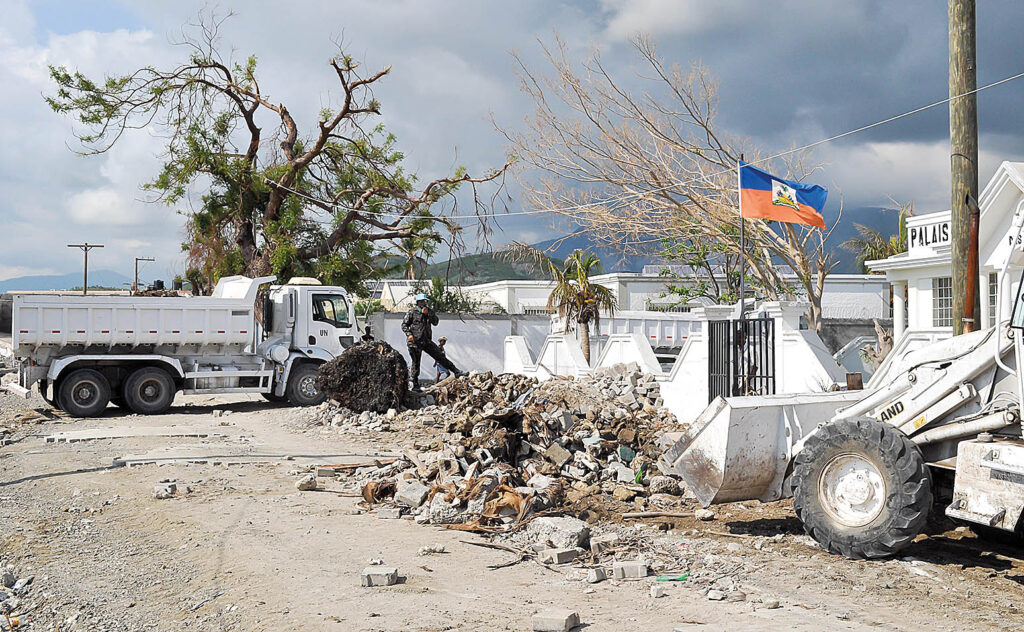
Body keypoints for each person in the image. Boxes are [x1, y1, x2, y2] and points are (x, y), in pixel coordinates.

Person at [402, 294, 463, 390]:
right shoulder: (412, 312)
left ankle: (456, 371)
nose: (423, 303)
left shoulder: (429, 311)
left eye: (424, 301)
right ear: (417, 302)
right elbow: (404, 325)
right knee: (416, 362)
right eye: (421, 301)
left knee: (440, 356)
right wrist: (409, 335)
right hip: (415, 341)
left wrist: (428, 314)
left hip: (426, 340)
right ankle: (415, 384)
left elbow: (435, 322)